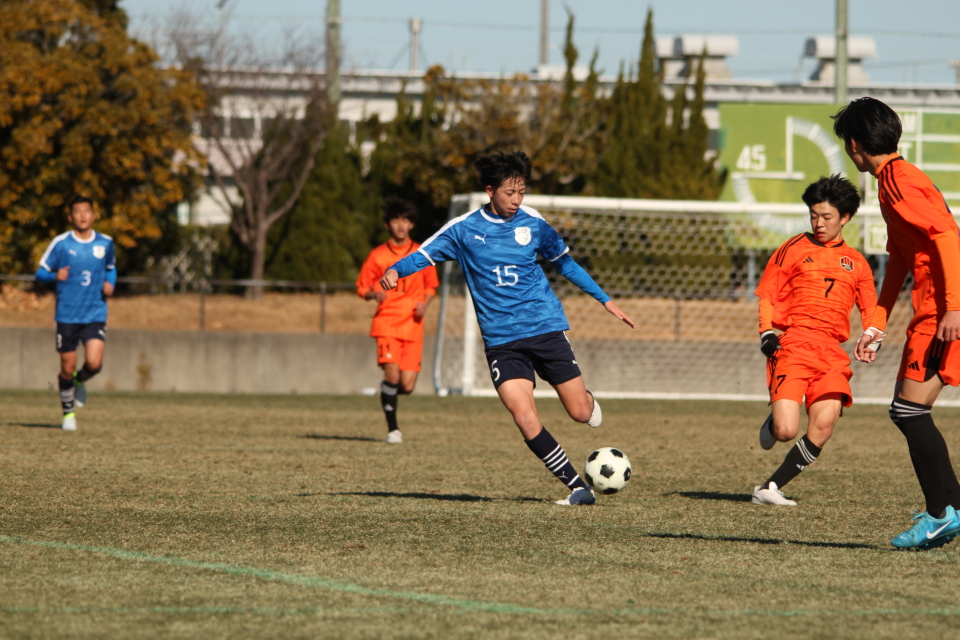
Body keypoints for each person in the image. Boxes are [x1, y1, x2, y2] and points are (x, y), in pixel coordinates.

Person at [380, 150, 635, 505]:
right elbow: (423, 255)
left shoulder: (533, 223)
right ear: (490, 190)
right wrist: (396, 270)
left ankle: (587, 400)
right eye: (509, 193)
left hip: (545, 328)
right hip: (502, 342)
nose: (517, 200)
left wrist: (605, 300)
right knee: (524, 416)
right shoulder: (463, 229)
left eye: (522, 192)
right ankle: (579, 488)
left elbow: (565, 264)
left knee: (579, 412)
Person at [837, 97, 960, 549]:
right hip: (937, 307)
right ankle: (952, 508)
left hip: (941, 310)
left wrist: (954, 308)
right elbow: (902, 260)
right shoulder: (895, 178)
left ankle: (940, 514)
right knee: (911, 410)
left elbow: (947, 236)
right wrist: (876, 322)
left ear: (854, 145)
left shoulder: (898, 182)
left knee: (907, 411)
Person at [751, 175, 877, 506]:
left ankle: (769, 488)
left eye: (826, 217)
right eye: (813, 215)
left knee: (823, 427)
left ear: (845, 218)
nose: (818, 223)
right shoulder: (792, 248)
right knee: (786, 431)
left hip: (832, 352)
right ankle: (776, 420)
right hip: (794, 345)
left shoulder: (858, 263)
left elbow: (871, 309)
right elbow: (767, 293)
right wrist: (766, 331)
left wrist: (872, 335)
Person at [356, 197, 440, 444]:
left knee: (407, 386)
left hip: (413, 325)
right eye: (395, 220)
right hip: (387, 323)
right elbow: (361, 287)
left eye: (405, 220)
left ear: (412, 224)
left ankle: (386, 393)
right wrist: (373, 294)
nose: (401, 225)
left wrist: (425, 304)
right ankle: (393, 429)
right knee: (392, 376)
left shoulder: (421, 254)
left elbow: (431, 286)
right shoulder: (377, 256)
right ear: (387, 225)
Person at [35, 196, 116, 431]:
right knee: (67, 367)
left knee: (94, 363)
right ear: (70, 217)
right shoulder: (61, 243)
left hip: (95, 312)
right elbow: (40, 273)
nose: (82, 216)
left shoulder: (105, 242)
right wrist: (54, 276)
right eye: (78, 212)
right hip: (67, 315)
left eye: (86, 211)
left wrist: (111, 284)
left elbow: (111, 268)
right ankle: (68, 415)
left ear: (93, 215)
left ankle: (81, 380)